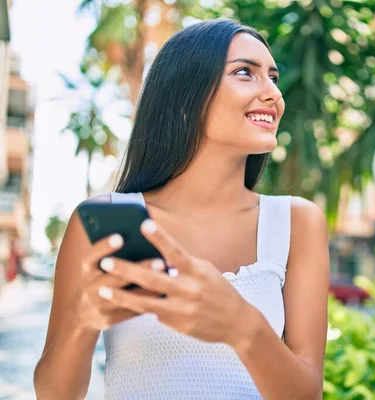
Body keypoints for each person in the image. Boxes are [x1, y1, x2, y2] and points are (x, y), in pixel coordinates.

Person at [34, 18, 330, 399]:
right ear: (186, 98)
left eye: (273, 77)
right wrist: (82, 321)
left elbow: (307, 395)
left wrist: (243, 326)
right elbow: (54, 395)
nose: (273, 93)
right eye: (245, 73)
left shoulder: (293, 222)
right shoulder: (115, 221)